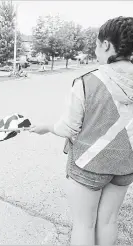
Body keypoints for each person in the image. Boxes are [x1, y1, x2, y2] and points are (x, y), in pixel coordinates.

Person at [29, 16, 133, 245]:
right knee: (108, 221)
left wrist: (46, 127)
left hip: (90, 164)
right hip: (126, 164)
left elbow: (68, 127)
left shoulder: (87, 81)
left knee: (84, 224)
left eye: (97, 45)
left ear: (106, 45)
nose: (95, 52)